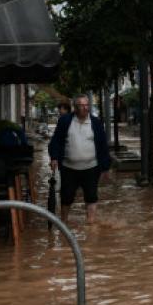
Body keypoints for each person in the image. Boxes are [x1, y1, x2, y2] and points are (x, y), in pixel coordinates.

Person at [48, 95, 111, 224]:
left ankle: (91, 224)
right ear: (75, 107)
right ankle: (63, 223)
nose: (85, 108)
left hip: (91, 167)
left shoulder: (96, 123)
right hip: (69, 168)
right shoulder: (65, 121)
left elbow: (103, 145)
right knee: (66, 197)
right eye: (81, 105)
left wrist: (105, 167)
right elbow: (56, 141)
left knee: (91, 197)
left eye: (87, 105)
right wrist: (54, 157)